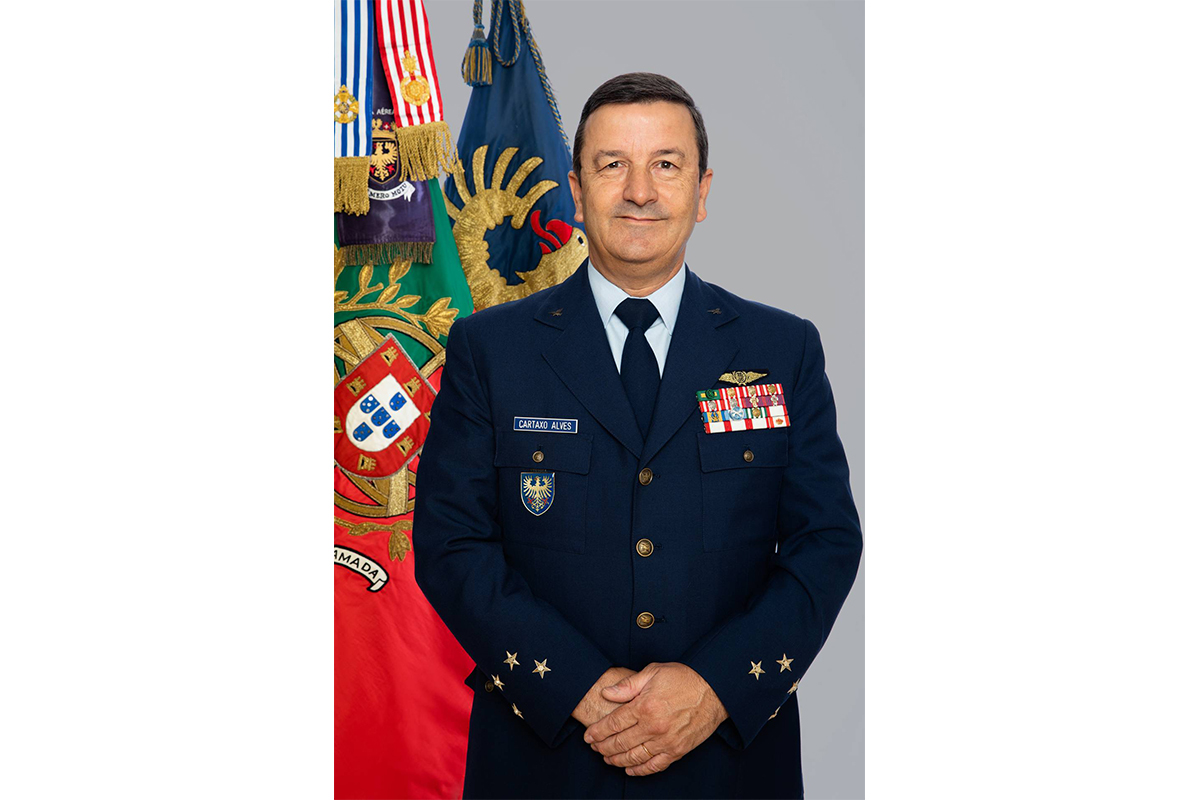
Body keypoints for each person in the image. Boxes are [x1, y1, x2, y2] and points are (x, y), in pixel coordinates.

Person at [413, 72, 862, 799]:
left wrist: (714, 688)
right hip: (544, 761)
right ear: (576, 190)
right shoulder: (489, 350)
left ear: (703, 191)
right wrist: (575, 687)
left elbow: (827, 542)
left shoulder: (783, 350)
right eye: (612, 164)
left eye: (666, 165)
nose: (640, 192)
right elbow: (450, 542)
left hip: (728, 764)